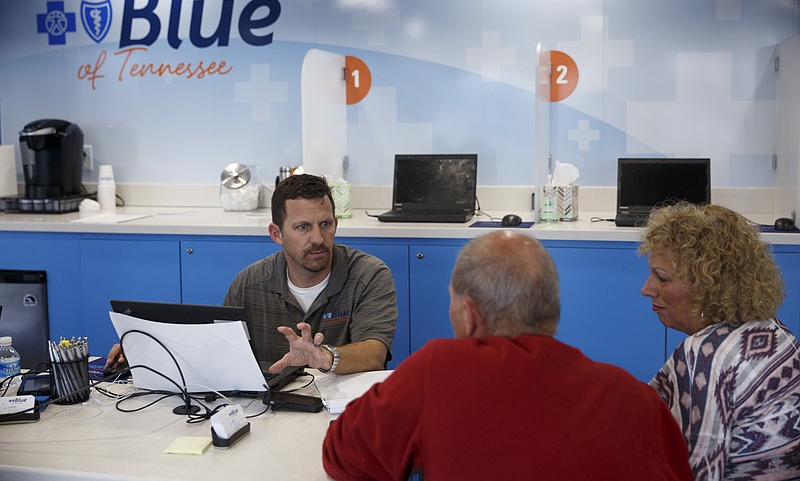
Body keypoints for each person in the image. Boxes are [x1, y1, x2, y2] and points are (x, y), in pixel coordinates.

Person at [322, 231, 692, 480]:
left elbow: (343, 454)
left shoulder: (437, 372)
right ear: (551, 308)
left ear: (469, 316)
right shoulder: (636, 399)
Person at [107, 173, 398, 376]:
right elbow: (216, 352)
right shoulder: (248, 284)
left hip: (342, 415)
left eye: (325, 224)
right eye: (302, 227)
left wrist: (323, 357)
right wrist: (146, 352)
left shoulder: (369, 275)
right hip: (271, 413)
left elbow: (374, 353)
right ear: (276, 234)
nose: (318, 238)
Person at [640, 203, 800, 479]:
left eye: (662, 278)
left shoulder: (705, 357)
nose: (647, 289)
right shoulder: (773, 330)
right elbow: (647, 403)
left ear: (708, 287)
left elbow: (700, 473)